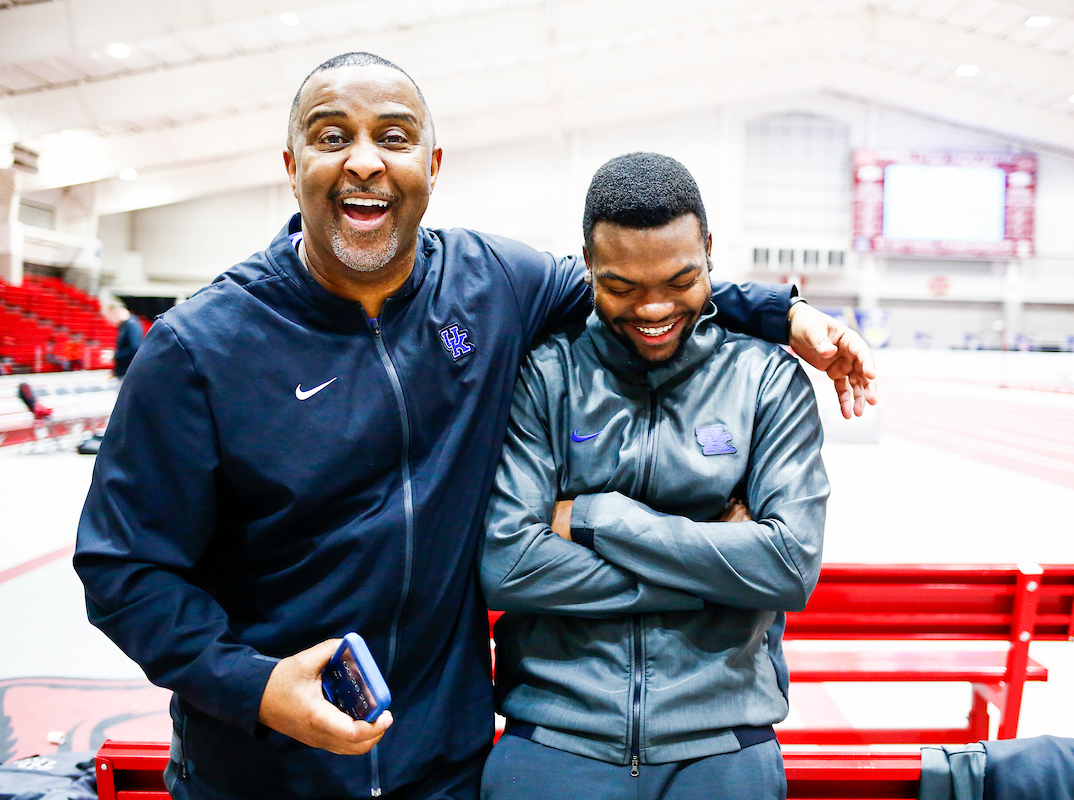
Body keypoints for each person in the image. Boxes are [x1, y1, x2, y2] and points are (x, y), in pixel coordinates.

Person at [74, 52, 873, 800]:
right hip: (263, 772)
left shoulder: (490, 287)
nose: (363, 160)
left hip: (443, 765)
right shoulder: (199, 347)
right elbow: (123, 570)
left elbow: (642, 286)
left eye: (393, 137)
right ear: (291, 168)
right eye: (330, 137)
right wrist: (251, 687)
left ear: (432, 164)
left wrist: (784, 313)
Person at [480, 153, 826, 800]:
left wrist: (592, 519)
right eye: (622, 288)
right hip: (553, 739)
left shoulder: (765, 382)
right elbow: (509, 564)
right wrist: (721, 576)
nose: (653, 309)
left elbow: (787, 567)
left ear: (711, 253)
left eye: (679, 279)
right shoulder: (546, 377)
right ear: (586, 266)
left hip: (725, 745)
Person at [103, 300, 144, 380]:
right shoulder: (124, 325)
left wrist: (115, 356)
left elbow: (135, 348)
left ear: (114, 312)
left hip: (128, 373)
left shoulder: (131, 324)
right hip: (124, 372)